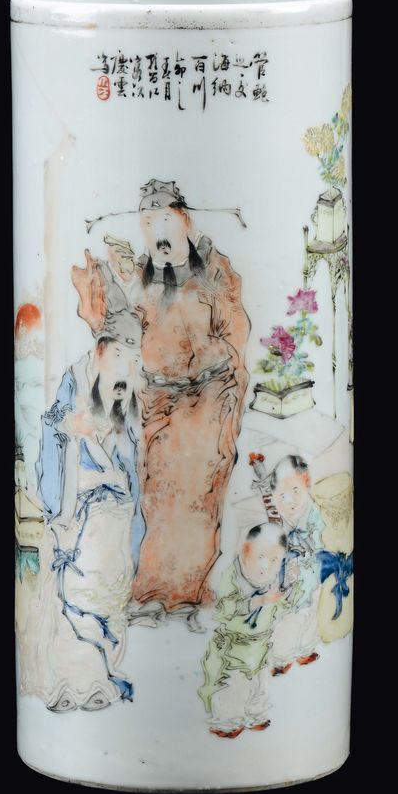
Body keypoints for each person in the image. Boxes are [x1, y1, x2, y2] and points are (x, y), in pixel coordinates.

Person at [74, 178, 251, 631]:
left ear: (185, 222)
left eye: (165, 222)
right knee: (158, 497)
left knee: (199, 498)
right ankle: (153, 593)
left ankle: (190, 594)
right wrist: (112, 285)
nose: (159, 234)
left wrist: (213, 368)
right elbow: (124, 334)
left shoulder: (214, 271)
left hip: (208, 399)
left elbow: (235, 330)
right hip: (159, 401)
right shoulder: (141, 280)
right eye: (149, 225)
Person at [22, 309, 145, 713]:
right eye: (119, 356)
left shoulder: (126, 395)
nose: (125, 367)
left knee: (109, 593)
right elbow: (52, 425)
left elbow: (130, 457)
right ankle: (75, 681)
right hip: (79, 514)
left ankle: (100, 673)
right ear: (100, 351)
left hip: (113, 517)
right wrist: (71, 429)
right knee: (76, 595)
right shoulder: (74, 383)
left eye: (132, 358)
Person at [197, 523, 298, 738]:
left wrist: (290, 588)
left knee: (260, 684)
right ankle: (228, 722)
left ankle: (255, 716)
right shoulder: (232, 576)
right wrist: (259, 601)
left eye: (274, 560)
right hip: (234, 645)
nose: (266, 565)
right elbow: (225, 609)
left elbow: (282, 608)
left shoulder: (274, 580)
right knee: (235, 684)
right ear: (245, 550)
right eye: (261, 556)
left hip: (260, 645)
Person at [268, 455, 353, 675]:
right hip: (292, 582)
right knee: (288, 620)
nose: (290, 500)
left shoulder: (315, 513)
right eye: (282, 495)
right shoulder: (281, 519)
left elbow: (321, 539)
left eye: (295, 490)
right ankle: (281, 658)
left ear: (306, 483)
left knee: (311, 617)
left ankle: (305, 650)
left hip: (313, 577)